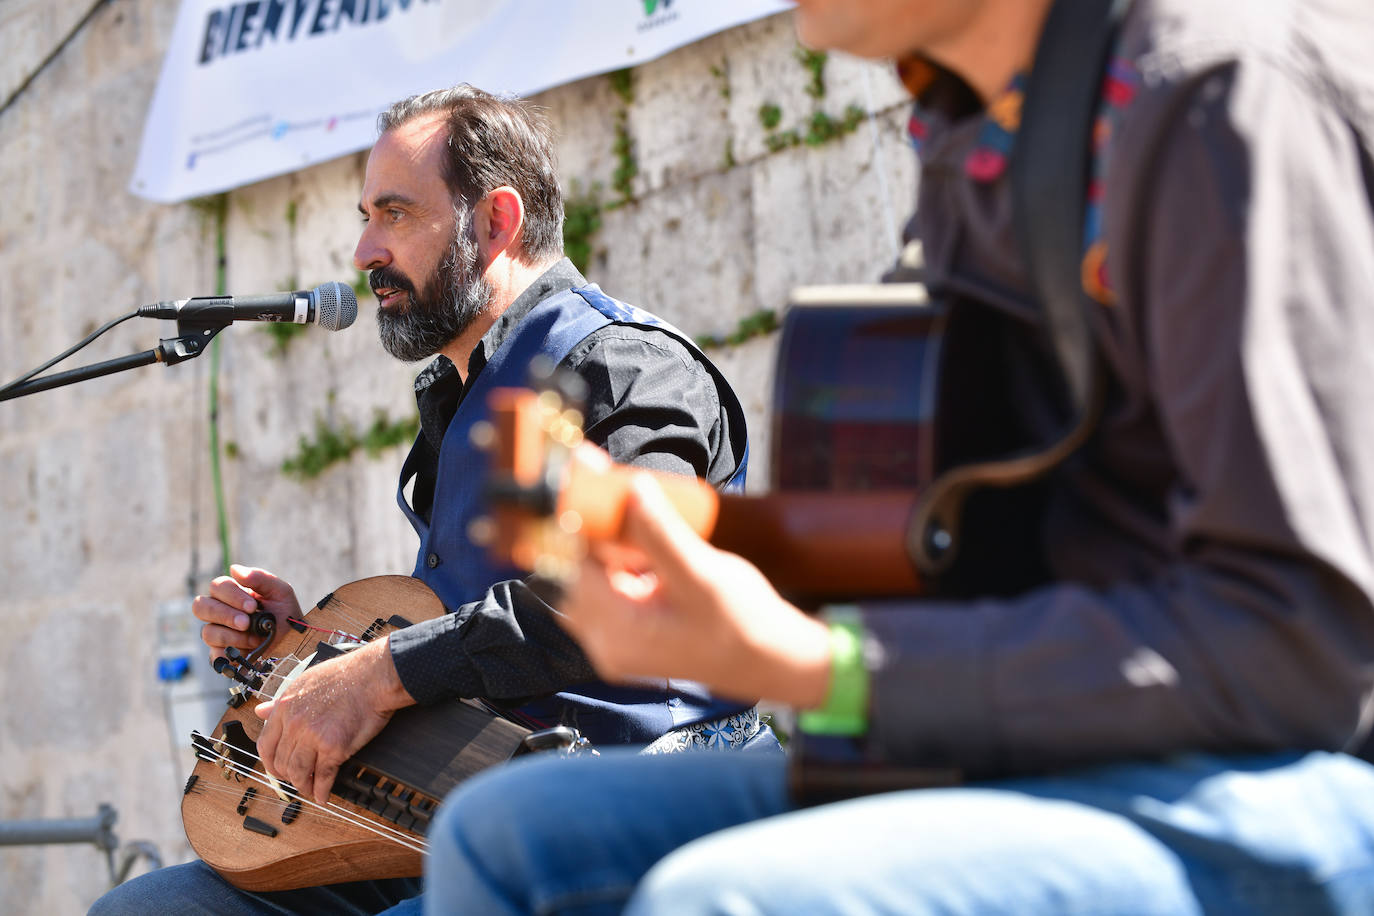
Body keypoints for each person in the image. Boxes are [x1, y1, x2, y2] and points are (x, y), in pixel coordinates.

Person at [420, 0, 1374, 913]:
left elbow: (1293, 643)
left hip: (1290, 769)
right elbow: (969, 520)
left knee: (726, 901)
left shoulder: (1216, 98)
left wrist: (828, 668)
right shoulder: (980, 124)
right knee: (500, 838)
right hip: (1071, 729)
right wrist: (680, 530)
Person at [90, 85, 770, 915]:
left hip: (620, 810)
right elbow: (463, 625)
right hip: (445, 805)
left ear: (496, 221)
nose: (364, 249)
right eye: (365, 217)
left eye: (395, 214)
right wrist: (300, 643)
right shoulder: (461, 393)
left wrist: (376, 674)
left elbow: (624, 589)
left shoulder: (631, 368)